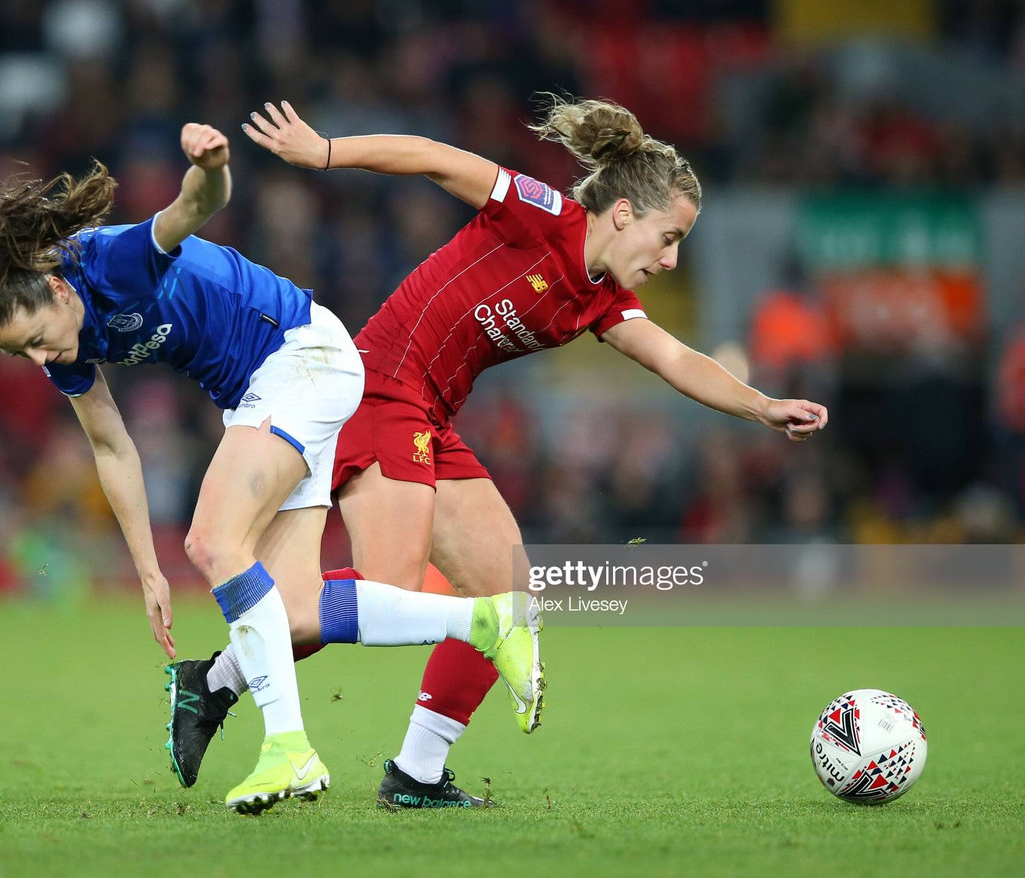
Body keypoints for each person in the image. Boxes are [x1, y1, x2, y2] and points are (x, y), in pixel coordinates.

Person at [166, 97, 829, 809]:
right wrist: (324, 151)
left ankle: (414, 773)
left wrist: (761, 405)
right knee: (391, 586)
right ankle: (220, 679)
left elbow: (674, 357)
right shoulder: (542, 215)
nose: (670, 259)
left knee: (508, 596)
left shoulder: (598, 300)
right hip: (378, 388)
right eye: (669, 238)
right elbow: (434, 157)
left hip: (432, 416)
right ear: (625, 215)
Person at [0, 123, 542, 815]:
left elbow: (192, 209)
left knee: (214, 542)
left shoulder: (112, 265)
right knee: (296, 609)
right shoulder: (66, 347)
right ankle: (484, 621)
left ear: (57, 291)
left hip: (302, 358)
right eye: (21, 355)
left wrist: (210, 167)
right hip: (268, 390)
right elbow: (111, 446)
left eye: (36, 340)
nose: (41, 361)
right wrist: (147, 571)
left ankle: (289, 748)